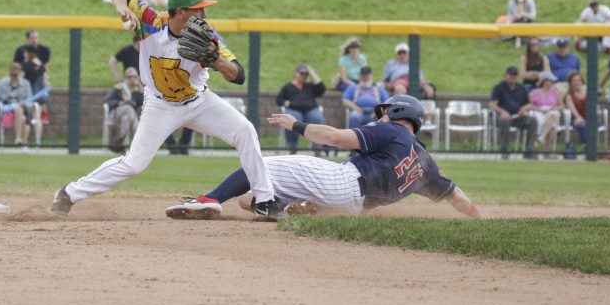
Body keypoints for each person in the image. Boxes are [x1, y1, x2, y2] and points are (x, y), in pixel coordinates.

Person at [49, 0, 282, 218]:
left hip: (199, 101)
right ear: (180, 12)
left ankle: (264, 201)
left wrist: (217, 61)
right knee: (133, 164)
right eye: (197, 9)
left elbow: (238, 75)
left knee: (245, 130)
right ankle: (69, 194)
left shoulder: (209, 36)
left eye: (204, 9)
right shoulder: (151, 21)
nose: (204, 14)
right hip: (160, 104)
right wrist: (122, 7)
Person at [165, 95, 481, 221]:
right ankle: (288, 210)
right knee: (249, 198)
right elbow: (457, 198)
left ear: (399, 113)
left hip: (342, 182)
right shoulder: (425, 164)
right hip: (352, 207)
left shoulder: (394, 132)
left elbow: (334, 138)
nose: (381, 117)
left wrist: (297, 124)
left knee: (258, 165)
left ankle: (207, 200)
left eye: (385, 112)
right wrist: (477, 218)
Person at [489, 66, 538, 159]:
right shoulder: (499, 87)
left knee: (533, 121)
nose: (513, 77)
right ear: (506, 76)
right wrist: (502, 112)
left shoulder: (521, 88)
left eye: (515, 75)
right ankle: (505, 150)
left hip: (517, 117)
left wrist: (524, 109)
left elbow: (529, 104)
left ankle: (529, 150)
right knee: (504, 120)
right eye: (511, 75)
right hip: (502, 117)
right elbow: (492, 104)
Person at [276, 64, 326, 155]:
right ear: (295, 74)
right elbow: (278, 100)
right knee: (293, 118)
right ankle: (293, 147)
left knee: (316, 118)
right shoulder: (288, 87)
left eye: (306, 74)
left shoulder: (310, 86)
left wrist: (311, 72)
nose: (304, 75)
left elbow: (321, 88)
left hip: (310, 109)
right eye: (301, 73)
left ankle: (317, 147)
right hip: (294, 109)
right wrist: (286, 103)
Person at [0, 62, 33, 151]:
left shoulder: (26, 84)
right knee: (18, 110)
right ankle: (21, 141)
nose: (13, 76)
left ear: (20, 74)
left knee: (23, 117)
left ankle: (21, 141)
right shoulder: (3, 82)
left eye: (15, 75)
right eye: (11, 74)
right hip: (6, 108)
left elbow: (30, 99)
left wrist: (25, 103)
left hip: (22, 109)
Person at [13, 29, 51, 123]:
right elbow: (16, 67)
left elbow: (45, 68)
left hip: (38, 75)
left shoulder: (44, 50)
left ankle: (43, 110)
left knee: (42, 82)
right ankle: (28, 111)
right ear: (27, 39)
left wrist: (40, 69)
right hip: (24, 76)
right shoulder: (20, 50)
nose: (34, 40)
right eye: (32, 38)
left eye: (36, 38)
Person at [104, 67, 142, 153]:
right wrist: (118, 103)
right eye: (129, 77)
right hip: (115, 114)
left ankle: (126, 148)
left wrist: (140, 87)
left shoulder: (136, 90)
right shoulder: (119, 88)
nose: (132, 79)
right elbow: (107, 101)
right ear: (125, 77)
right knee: (128, 108)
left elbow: (142, 102)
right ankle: (138, 134)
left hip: (128, 117)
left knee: (126, 119)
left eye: (134, 77)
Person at [528, 72, 562, 158]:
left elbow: (561, 106)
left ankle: (541, 138)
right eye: (550, 81)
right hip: (539, 112)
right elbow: (528, 105)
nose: (552, 83)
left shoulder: (555, 93)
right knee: (552, 125)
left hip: (551, 112)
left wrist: (553, 108)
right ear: (544, 81)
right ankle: (547, 152)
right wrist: (540, 109)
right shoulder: (534, 92)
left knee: (553, 115)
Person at [565, 71, 591, 145]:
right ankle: (586, 145)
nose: (577, 83)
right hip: (576, 118)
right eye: (574, 81)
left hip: (589, 117)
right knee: (582, 125)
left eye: (578, 80)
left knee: (591, 125)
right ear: (570, 83)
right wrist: (578, 117)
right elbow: (573, 109)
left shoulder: (588, 91)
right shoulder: (569, 95)